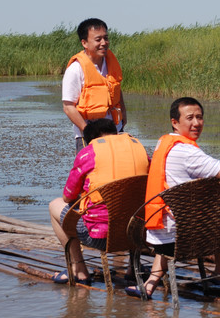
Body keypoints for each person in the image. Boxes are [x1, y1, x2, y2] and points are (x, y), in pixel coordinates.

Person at [125, 97, 220, 300]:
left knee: (203, 211)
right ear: (175, 122)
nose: (196, 123)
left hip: (159, 235)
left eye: (200, 117)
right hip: (187, 239)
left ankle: (152, 282)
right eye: (190, 118)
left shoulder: (164, 143)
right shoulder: (186, 151)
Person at [49, 118, 150, 285]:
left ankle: (79, 269)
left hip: (100, 237)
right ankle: (134, 266)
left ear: (90, 140)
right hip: (138, 234)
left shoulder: (89, 153)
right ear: (115, 133)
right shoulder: (138, 149)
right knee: (133, 203)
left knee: (54, 205)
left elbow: (68, 197)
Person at [62, 18, 127, 153]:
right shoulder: (76, 70)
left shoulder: (111, 64)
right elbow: (68, 107)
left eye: (106, 38)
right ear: (84, 43)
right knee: (91, 173)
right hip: (89, 135)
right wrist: (87, 130)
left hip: (115, 132)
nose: (104, 43)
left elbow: (116, 90)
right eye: (98, 40)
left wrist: (123, 117)